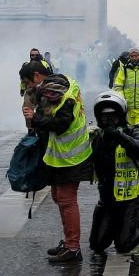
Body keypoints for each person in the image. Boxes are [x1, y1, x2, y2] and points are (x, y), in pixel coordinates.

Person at [26, 72, 92, 263]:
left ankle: (73, 248)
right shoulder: (63, 85)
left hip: (72, 158)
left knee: (66, 200)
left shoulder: (65, 101)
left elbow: (60, 125)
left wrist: (35, 118)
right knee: (58, 197)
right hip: (62, 156)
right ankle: (69, 242)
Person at [88, 91, 139, 255]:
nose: (109, 121)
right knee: (97, 245)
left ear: (121, 115)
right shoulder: (96, 137)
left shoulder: (133, 131)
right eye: (105, 118)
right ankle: (118, 227)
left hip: (131, 198)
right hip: (107, 199)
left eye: (113, 117)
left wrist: (121, 137)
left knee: (123, 246)